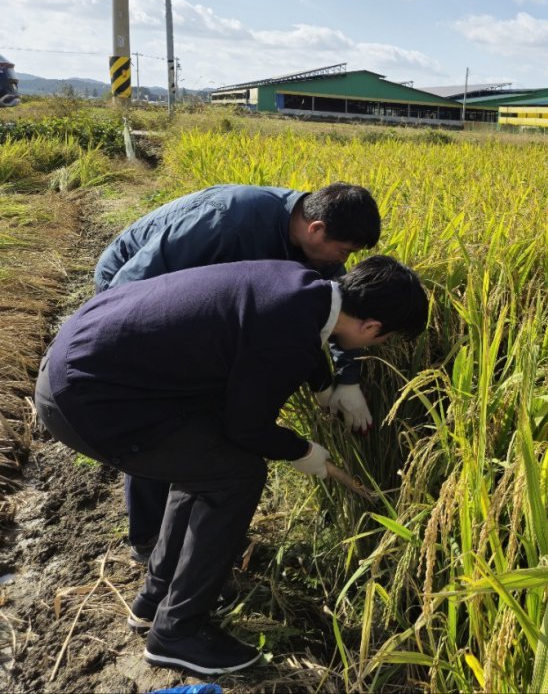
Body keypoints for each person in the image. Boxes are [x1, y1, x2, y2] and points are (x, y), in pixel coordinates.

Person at [35, 255, 428, 675]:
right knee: (238, 473)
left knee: (207, 461)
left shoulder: (299, 284)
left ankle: (157, 599)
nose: (376, 346)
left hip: (75, 361)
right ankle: (177, 634)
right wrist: (305, 452)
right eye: (382, 340)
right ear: (371, 328)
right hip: (88, 400)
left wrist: (325, 387)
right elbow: (248, 428)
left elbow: (293, 339)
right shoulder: (289, 333)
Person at [94, 182, 382, 561]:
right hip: (134, 295)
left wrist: (344, 381)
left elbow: (333, 308)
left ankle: (195, 527)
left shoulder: (320, 247)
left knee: (207, 418)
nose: (341, 262)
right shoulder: (227, 221)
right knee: (160, 419)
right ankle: (149, 538)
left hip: (207, 316)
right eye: (343, 251)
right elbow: (135, 279)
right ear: (316, 230)